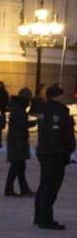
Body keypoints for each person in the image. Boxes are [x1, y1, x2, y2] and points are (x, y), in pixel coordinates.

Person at [34, 84, 76, 230]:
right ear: (56, 96)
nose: (63, 97)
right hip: (55, 154)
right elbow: (65, 135)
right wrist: (69, 150)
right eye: (61, 95)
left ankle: (39, 216)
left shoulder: (43, 109)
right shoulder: (59, 112)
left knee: (44, 184)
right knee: (51, 187)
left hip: (45, 152)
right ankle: (45, 219)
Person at [6, 87, 36, 197]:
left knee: (20, 166)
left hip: (17, 141)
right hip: (17, 141)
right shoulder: (19, 109)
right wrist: (35, 122)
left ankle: (24, 188)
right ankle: (9, 189)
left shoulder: (18, 107)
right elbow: (22, 125)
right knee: (16, 166)